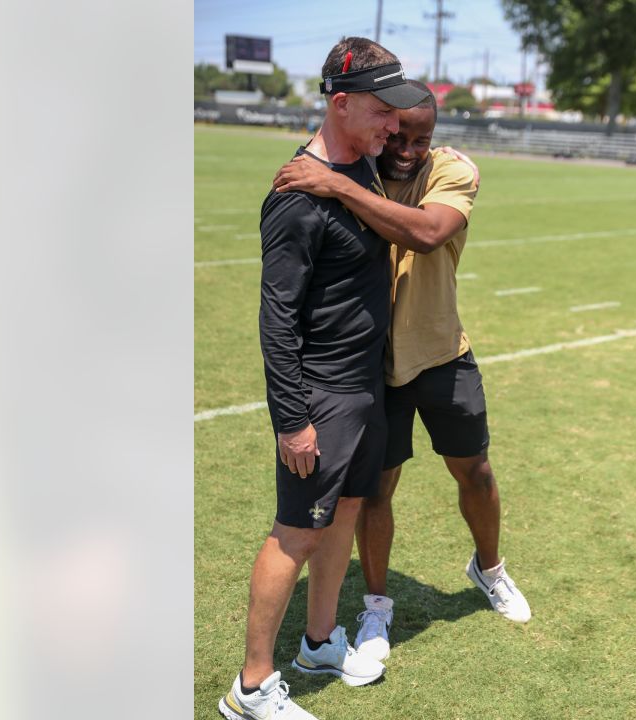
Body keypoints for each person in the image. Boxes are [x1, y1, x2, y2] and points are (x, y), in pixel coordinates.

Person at [271, 80, 532, 666]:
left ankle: (489, 569)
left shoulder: (451, 171)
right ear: (383, 126)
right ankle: (377, 605)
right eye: (399, 133)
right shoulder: (356, 166)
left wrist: (336, 184)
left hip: (442, 353)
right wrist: (333, 175)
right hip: (372, 367)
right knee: (374, 493)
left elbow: (429, 231)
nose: (408, 147)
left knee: (477, 473)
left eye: (422, 137)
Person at [218, 38, 430, 720]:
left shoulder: (361, 170)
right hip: (323, 396)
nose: (393, 125)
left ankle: (317, 642)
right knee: (296, 532)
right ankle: (252, 687)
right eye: (381, 110)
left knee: (342, 517)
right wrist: (293, 419)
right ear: (339, 103)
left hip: (365, 386)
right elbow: (275, 318)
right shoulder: (294, 196)